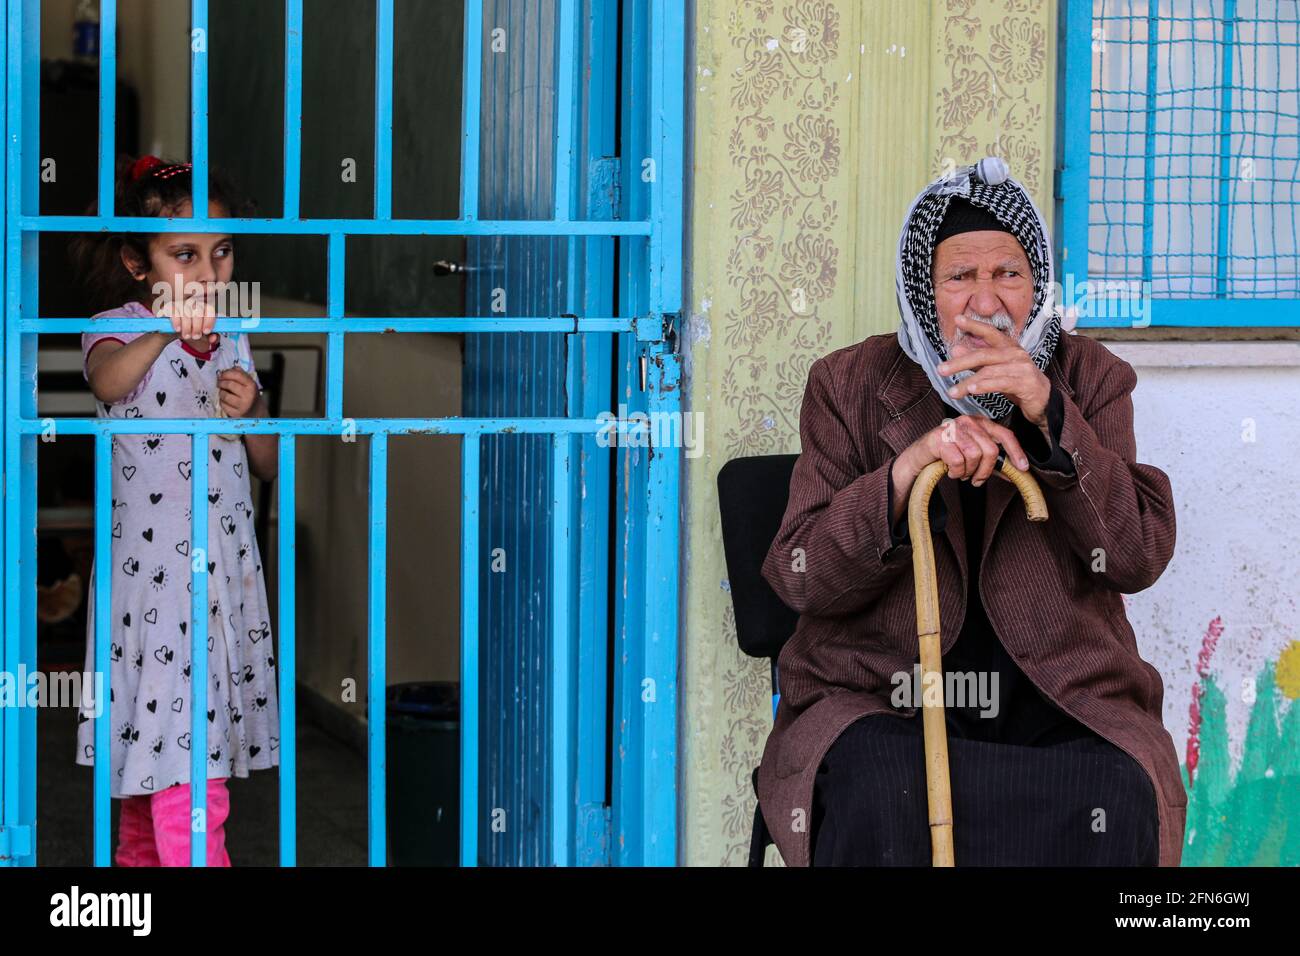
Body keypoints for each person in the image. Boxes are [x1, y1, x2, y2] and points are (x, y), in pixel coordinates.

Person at [755, 157, 1185, 866]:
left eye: (1008, 275)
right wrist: (904, 472)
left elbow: (1136, 554)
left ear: (1038, 284)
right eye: (960, 278)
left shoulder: (1091, 378)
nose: (986, 304)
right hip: (881, 695)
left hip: (1060, 700)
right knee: (883, 789)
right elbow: (801, 576)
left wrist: (1052, 419)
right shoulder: (847, 384)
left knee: (1116, 792)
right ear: (924, 293)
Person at [71, 154, 278, 866]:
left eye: (221, 253)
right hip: (150, 588)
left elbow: (270, 464)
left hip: (220, 582)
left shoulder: (235, 338)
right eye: (184, 254)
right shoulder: (114, 328)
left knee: (172, 769)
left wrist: (254, 412)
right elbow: (106, 381)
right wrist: (162, 331)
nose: (209, 272)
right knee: (175, 777)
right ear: (137, 263)